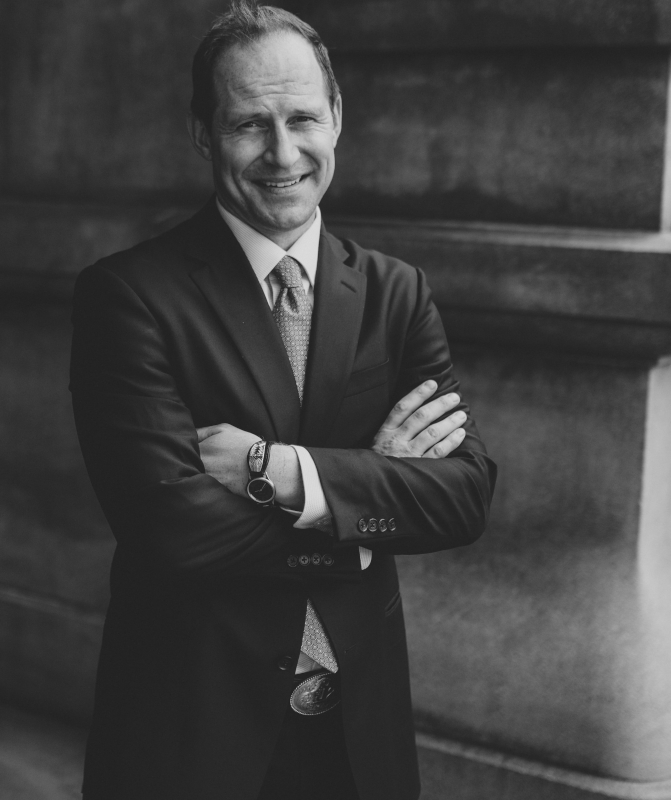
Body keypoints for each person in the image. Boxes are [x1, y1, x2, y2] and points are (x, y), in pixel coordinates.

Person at [69, 3, 496, 798]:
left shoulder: (397, 295)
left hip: (358, 734)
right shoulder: (127, 297)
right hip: (193, 731)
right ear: (203, 133)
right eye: (247, 125)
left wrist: (286, 472)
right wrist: (369, 504)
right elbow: (172, 530)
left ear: (337, 117)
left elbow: (466, 495)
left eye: (302, 117)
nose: (281, 152)